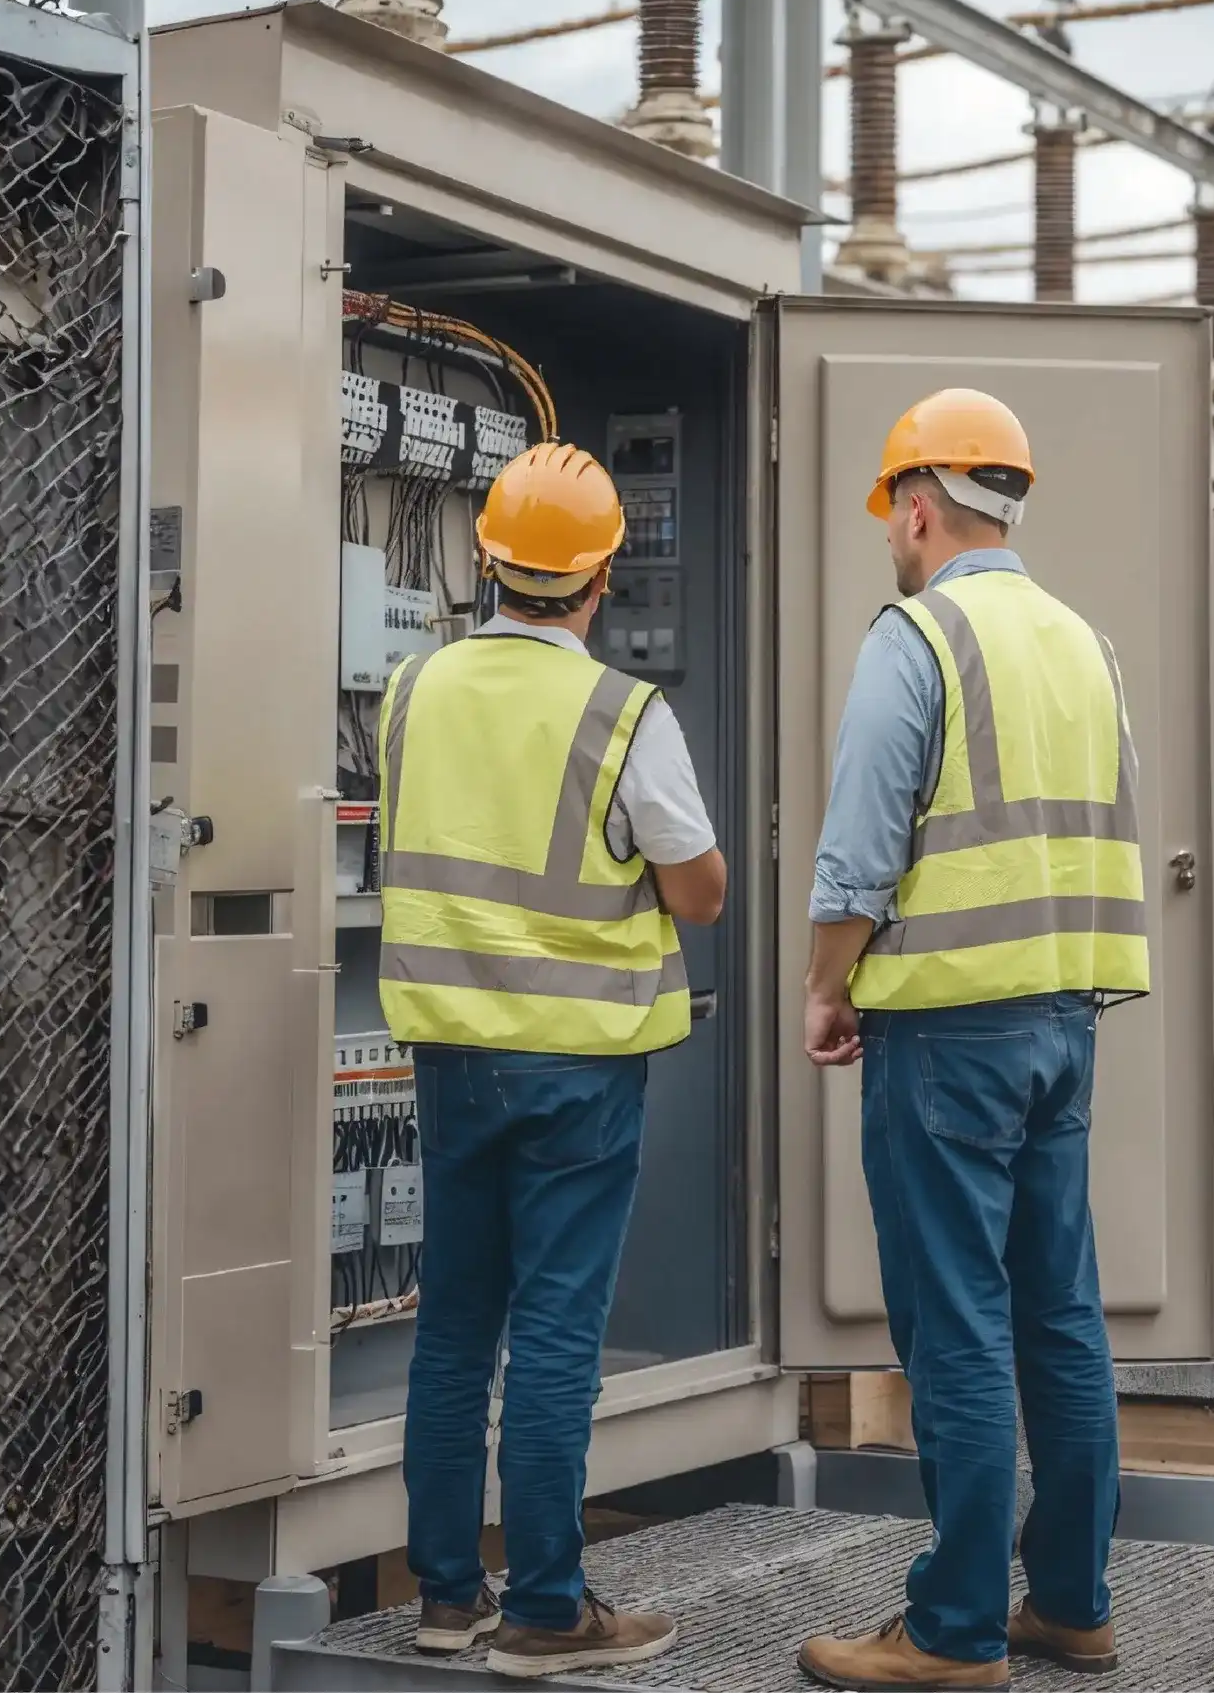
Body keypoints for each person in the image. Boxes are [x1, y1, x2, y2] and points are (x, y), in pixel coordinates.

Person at [796, 390, 1149, 1691]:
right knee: (1058, 1312)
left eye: (890, 514)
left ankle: (952, 1631)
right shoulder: (1083, 642)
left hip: (946, 1029)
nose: (890, 536)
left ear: (918, 507)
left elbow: (857, 851)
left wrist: (826, 985)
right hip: (1063, 1020)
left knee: (955, 1322)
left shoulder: (918, 639)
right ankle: (1072, 1602)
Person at [379, 440, 724, 1679]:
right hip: (577, 1067)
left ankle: (444, 1593)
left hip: (451, 1055)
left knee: (453, 1328)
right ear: (601, 575)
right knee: (556, 1335)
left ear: (488, 560)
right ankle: (546, 1609)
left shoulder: (413, 687)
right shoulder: (622, 711)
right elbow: (699, 890)